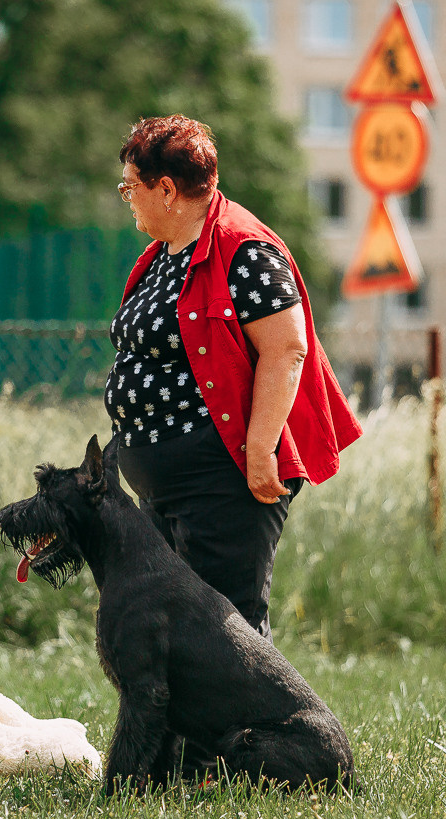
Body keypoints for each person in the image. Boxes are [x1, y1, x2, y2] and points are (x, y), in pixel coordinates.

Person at [106, 114, 362, 642]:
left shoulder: (244, 249)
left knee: (228, 633)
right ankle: (184, 730)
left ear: (167, 189)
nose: (127, 197)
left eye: (131, 186)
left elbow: (287, 349)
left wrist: (261, 451)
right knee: (177, 631)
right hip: (166, 480)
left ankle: (264, 727)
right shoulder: (163, 257)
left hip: (221, 477)